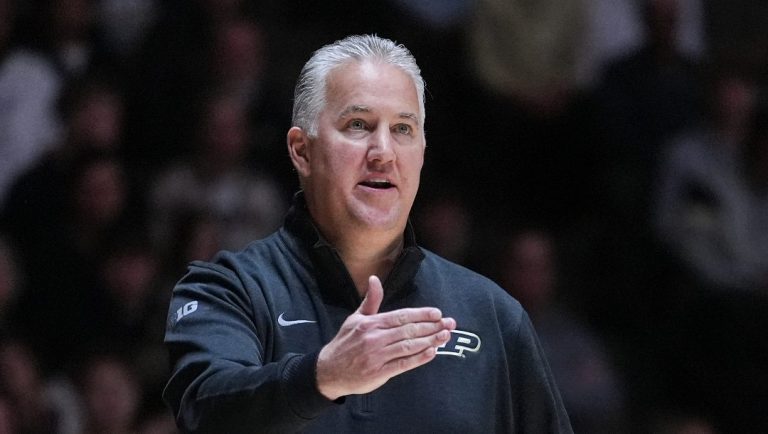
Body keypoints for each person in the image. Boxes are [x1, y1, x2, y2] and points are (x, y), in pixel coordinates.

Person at [163, 34, 572, 433]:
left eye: (403, 129)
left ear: (422, 154)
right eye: (358, 125)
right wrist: (323, 376)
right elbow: (206, 413)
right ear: (301, 150)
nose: (383, 151)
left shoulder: (492, 315)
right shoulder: (228, 290)